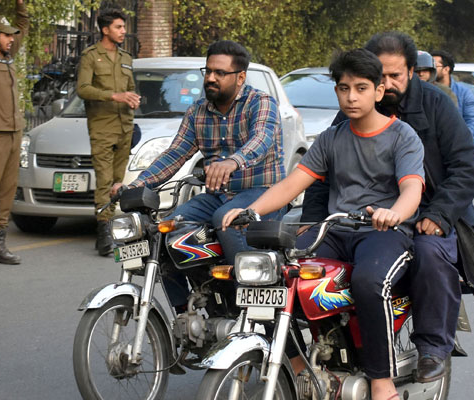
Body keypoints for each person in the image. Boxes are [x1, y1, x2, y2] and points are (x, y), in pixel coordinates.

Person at [223, 48, 425, 400]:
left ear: (378, 91)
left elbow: (412, 187)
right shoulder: (332, 138)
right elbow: (292, 184)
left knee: (368, 281)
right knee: (275, 275)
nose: (351, 96)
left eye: (361, 88)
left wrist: (394, 212)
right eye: (344, 88)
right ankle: (301, 367)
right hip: (334, 231)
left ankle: (381, 382)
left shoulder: (402, 135)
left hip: (383, 234)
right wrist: (251, 211)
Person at [302, 32, 474, 383]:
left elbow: (464, 167)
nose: (386, 83)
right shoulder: (354, 110)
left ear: (412, 72)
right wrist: (311, 223)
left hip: (431, 211)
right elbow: (322, 174)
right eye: (378, 75)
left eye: (395, 75)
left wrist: (439, 215)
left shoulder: (437, 104)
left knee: (429, 255)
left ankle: (432, 347)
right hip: (370, 219)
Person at [112, 40, 286, 310]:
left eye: (220, 73)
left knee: (226, 220)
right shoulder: (197, 111)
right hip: (216, 197)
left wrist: (233, 162)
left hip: (260, 191)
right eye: (208, 71)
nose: (211, 78)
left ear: (240, 77)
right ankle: (185, 314)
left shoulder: (261, 103)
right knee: (163, 233)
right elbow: (175, 154)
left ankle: (250, 303)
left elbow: (261, 140)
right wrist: (136, 184)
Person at [77, 8, 140, 256]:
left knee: (117, 181)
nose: (123, 31)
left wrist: (133, 99)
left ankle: (114, 225)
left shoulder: (126, 57)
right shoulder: (91, 56)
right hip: (102, 127)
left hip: (124, 125)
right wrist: (113, 95)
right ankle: (103, 231)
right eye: (118, 27)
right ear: (105, 30)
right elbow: (83, 88)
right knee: (104, 180)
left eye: (124, 27)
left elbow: (130, 88)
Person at [0, 0, 29, 265]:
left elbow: (22, 27)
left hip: (14, 132)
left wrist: (20, 6)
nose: (12, 39)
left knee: (6, 192)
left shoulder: (7, 57)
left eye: (13, 36)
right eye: (6, 35)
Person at [431, 50, 474, 139]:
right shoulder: (426, 90)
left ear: (446, 69)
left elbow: (472, 121)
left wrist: (459, 137)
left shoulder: (464, 93)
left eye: (434, 66)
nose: (430, 69)